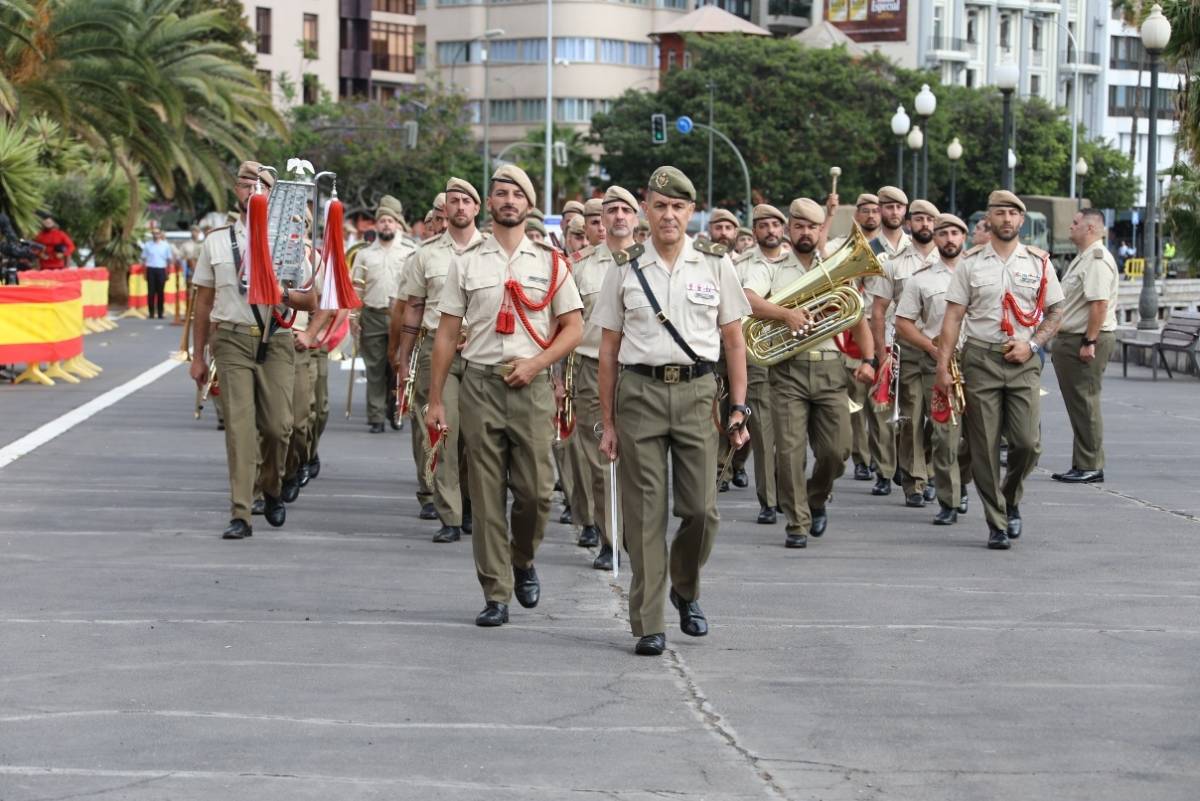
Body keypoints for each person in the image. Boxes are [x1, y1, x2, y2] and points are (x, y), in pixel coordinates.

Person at [594, 165, 751, 657]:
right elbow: (607, 349)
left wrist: (739, 408)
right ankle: (648, 622)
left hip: (697, 394)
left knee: (702, 510)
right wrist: (609, 422)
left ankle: (685, 587)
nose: (668, 215)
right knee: (644, 516)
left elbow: (733, 339)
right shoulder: (624, 267)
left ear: (690, 211)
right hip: (638, 394)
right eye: (659, 206)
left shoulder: (714, 264)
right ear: (647, 209)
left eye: (678, 207)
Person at [427, 164, 584, 628]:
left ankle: (522, 559)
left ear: (529, 205)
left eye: (517, 193)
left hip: (531, 385)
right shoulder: (467, 261)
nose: (509, 200)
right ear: (489, 205)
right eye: (500, 193)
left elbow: (574, 328)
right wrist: (436, 399)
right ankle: (496, 592)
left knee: (537, 492)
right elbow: (445, 334)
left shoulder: (551, 263)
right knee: (487, 492)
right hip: (480, 383)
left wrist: (538, 364)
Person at [188, 161, 319, 540]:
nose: (254, 191)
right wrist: (197, 356)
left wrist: (282, 294)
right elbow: (203, 303)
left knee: (280, 427)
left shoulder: (292, 244)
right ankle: (241, 512)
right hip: (230, 339)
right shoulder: (216, 241)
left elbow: (311, 300)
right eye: (248, 185)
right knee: (240, 431)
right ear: (239, 193)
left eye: (263, 186)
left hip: (275, 338)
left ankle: (272, 487)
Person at [743, 197, 876, 549]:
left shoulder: (835, 266)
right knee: (788, 453)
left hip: (830, 369)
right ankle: (797, 522)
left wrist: (870, 359)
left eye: (812, 227)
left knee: (838, 451)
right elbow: (748, 299)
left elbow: (856, 314)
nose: (805, 232)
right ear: (789, 229)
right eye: (798, 226)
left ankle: (816, 499)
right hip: (787, 370)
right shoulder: (771, 268)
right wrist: (786, 315)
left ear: (820, 231)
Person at [937, 191, 1065, 550]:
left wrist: (1033, 344)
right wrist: (944, 367)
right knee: (983, 446)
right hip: (980, 358)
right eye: (999, 213)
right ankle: (996, 522)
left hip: (1023, 359)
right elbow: (953, 317)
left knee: (1027, 443)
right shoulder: (970, 263)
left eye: (1012, 213)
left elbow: (1056, 312)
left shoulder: (1039, 263)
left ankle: (1010, 499)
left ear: (1021, 221)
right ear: (988, 220)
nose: (1006, 219)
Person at [397, 177, 485, 542]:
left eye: (466, 200)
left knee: (477, 438)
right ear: (444, 209)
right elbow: (413, 309)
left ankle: (469, 505)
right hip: (438, 349)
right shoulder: (426, 253)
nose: (460, 206)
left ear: (477, 208)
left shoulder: (494, 252)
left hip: (483, 351)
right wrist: (403, 360)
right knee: (443, 432)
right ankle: (449, 514)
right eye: (454, 200)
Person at [564, 185, 640, 570]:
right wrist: (559, 379)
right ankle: (609, 538)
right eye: (611, 211)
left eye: (626, 209)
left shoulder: (651, 261)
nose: (619, 217)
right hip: (593, 368)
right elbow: (563, 326)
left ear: (636, 217)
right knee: (600, 458)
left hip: (640, 370)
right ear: (601, 221)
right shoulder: (579, 266)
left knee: (639, 458)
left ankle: (634, 533)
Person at [895, 212, 972, 524]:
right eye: (943, 234)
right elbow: (902, 322)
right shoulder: (921, 279)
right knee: (943, 432)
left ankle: (962, 481)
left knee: (977, 435)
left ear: (963, 237)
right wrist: (929, 345)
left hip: (978, 360)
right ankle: (949, 499)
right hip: (937, 362)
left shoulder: (980, 272)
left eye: (955, 233)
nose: (949, 239)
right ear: (935, 239)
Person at [867, 198, 940, 508]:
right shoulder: (893, 263)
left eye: (929, 220)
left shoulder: (952, 262)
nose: (924, 224)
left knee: (938, 420)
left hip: (943, 351)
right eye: (919, 219)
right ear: (910, 223)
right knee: (910, 417)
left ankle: (933, 470)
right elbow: (878, 311)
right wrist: (881, 351)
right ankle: (914, 482)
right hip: (906, 349)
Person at [1051, 208, 1119, 484]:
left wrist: (1089, 341)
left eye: (1076, 223)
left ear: (1090, 228)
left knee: (1085, 402)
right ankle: (1082, 462)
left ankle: (1090, 463)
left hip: (1086, 338)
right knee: (1078, 404)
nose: (1071, 227)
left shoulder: (1097, 259)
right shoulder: (1084, 258)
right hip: (1074, 338)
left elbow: (1099, 303)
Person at [730, 204, 789, 524]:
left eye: (775, 225)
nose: (770, 230)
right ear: (754, 232)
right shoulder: (740, 265)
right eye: (763, 225)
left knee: (792, 433)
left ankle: (789, 489)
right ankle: (769, 500)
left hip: (792, 351)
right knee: (764, 430)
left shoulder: (798, 263)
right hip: (755, 353)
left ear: (784, 229)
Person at [351, 196, 415, 434]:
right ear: (376, 225)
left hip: (401, 316)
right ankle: (376, 416)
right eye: (382, 221)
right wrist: (353, 318)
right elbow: (357, 288)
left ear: (398, 224)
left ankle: (395, 408)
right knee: (375, 367)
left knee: (397, 367)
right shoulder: (364, 254)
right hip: (373, 314)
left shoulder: (411, 252)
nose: (386, 225)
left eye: (390, 220)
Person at [140, 227, 174, 319]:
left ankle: (160, 312)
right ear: (152, 235)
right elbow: (143, 258)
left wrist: (168, 272)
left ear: (160, 234)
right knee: (151, 292)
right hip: (151, 269)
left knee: (160, 292)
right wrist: (144, 272)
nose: (156, 235)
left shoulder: (165, 245)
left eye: (157, 233)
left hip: (161, 269)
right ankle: (151, 313)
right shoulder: (147, 245)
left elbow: (169, 259)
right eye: (154, 233)